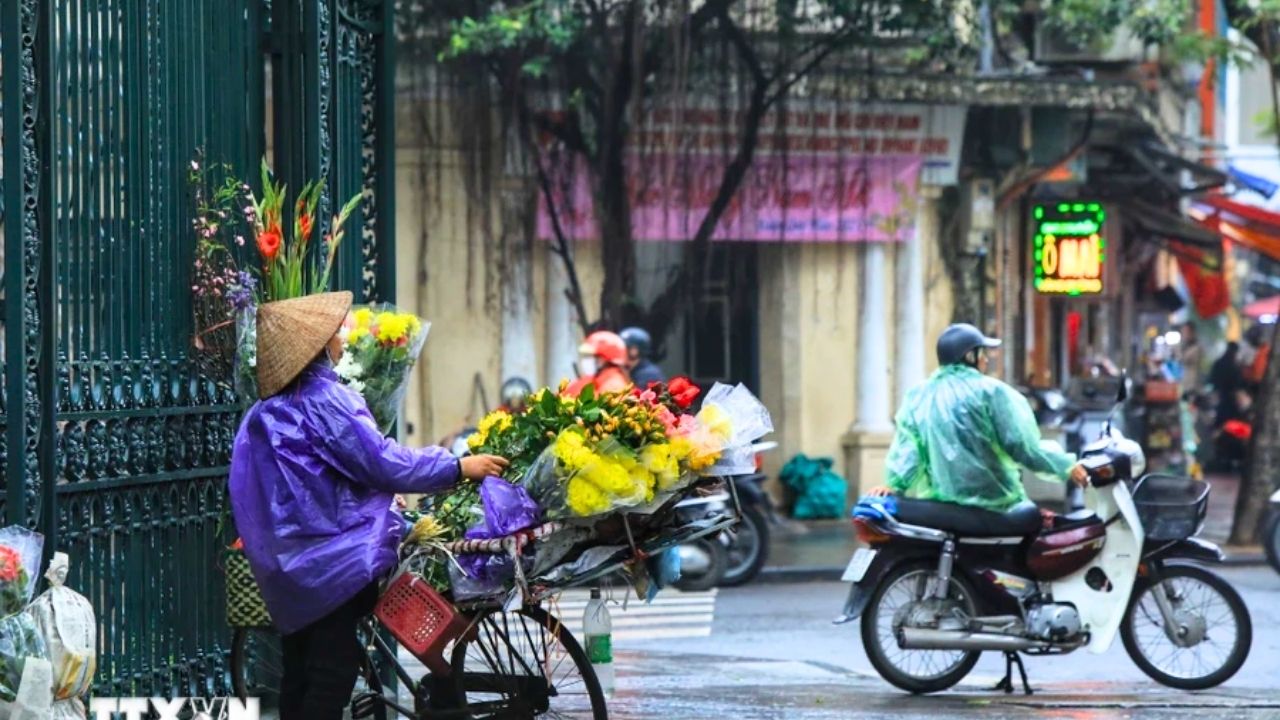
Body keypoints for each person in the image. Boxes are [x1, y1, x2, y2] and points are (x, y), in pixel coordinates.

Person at [228, 291, 508, 720]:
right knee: (330, 675)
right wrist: (456, 466)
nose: (343, 338)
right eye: (336, 332)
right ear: (319, 346)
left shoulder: (263, 414)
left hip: (290, 566)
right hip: (335, 565)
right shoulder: (325, 401)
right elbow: (381, 463)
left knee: (300, 671)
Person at [867, 323, 1088, 511]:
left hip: (941, 505)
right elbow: (1022, 446)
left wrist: (895, 485)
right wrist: (1066, 467)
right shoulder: (991, 392)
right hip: (996, 504)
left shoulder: (919, 395)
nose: (985, 360)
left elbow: (909, 449)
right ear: (969, 356)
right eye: (982, 353)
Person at [564, 330, 632, 396]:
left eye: (590, 356)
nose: (586, 360)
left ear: (603, 359)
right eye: (586, 356)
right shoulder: (595, 380)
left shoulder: (614, 386)